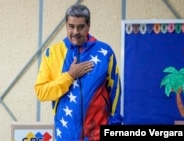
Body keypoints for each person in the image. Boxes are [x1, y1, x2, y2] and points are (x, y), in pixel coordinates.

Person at [34, 3, 123, 140]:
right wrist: (69, 76)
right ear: (66, 25)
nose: (75, 32)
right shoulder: (52, 53)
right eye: (71, 26)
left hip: (98, 134)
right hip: (66, 135)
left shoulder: (105, 52)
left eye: (81, 27)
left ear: (88, 26)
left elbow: (115, 90)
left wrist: (115, 124)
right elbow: (41, 92)